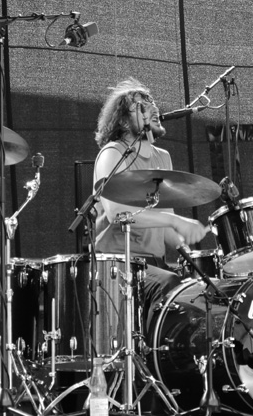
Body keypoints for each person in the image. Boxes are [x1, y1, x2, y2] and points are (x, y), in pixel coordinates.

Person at [93, 78, 208, 333]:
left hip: (153, 264)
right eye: (141, 106)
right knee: (169, 284)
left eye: (152, 102)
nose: (153, 108)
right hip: (116, 264)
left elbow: (164, 223)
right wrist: (175, 221)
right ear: (124, 121)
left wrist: (190, 253)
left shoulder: (162, 157)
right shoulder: (112, 153)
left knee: (195, 292)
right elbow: (116, 214)